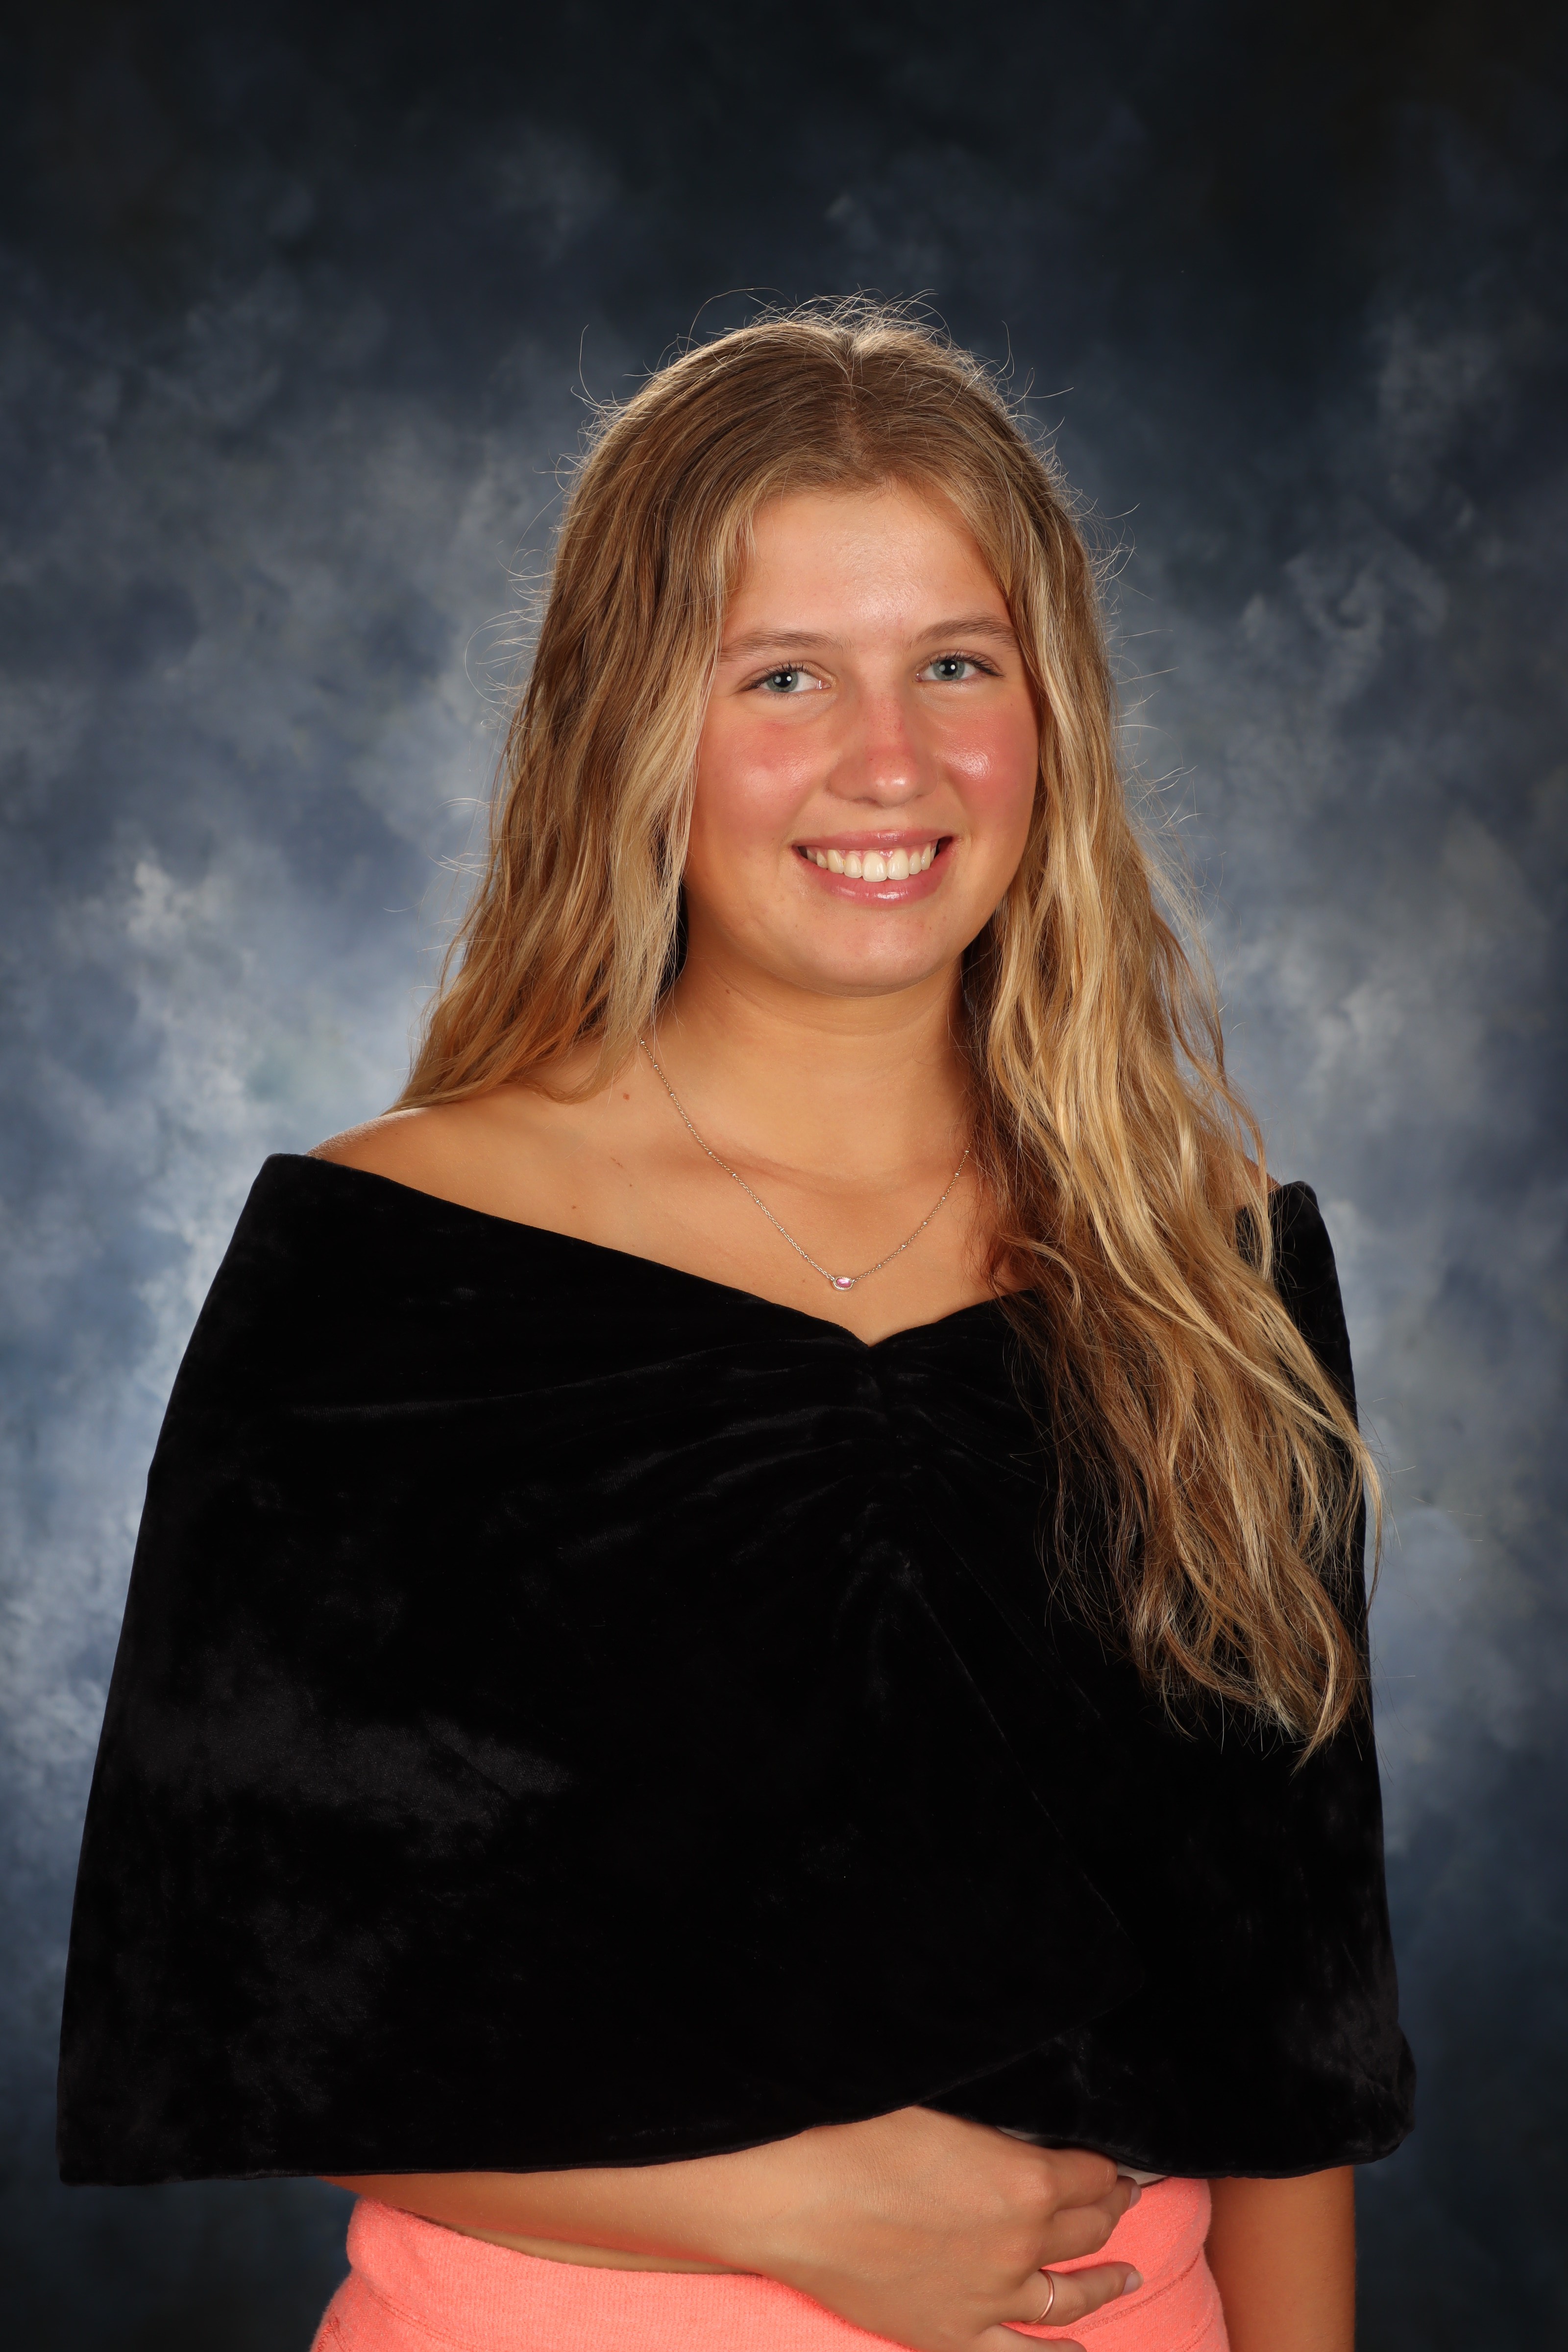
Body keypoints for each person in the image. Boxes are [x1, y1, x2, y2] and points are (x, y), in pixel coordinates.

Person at [57, 303, 1413, 2352]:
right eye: (784, 675)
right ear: (633, 729)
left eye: (956, 663)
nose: (892, 763)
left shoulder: (1199, 1262)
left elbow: (1290, 2033)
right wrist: (795, 2211)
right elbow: (228, 2006)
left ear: (1051, 714)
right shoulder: (392, 1258)